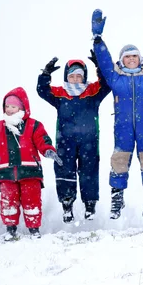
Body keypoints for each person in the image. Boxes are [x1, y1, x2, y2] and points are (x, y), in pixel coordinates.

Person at [91, 9, 143, 220]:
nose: (131, 59)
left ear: (139, 59)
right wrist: (98, 39)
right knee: (119, 160)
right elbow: (104, 60)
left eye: (134, 56)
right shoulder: (115, 77)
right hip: (123, 127)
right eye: (127, 57)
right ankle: (117, 199)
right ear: (122, 60)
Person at [0, 87, 62, 241]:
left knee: (32, 202)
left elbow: (43, 140)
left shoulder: (34, 125)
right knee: (8, 203)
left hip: (30, 172)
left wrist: (48, 150)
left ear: (22, 107)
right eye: (7, 107)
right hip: (6, 172)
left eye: (13, 106)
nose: (10, 110)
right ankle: (10, 229)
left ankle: (34, 230)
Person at [36, 52, 111, 223]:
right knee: (65, 170)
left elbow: (106, 84)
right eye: (72, 76)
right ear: (66, 77)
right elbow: (42, 91)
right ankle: (67, 205)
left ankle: (90, 205)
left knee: (89, 171)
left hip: (89, 142)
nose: (76, 79)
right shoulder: (60, 94)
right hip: (65, 141)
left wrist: (100, 67)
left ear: (84, 77)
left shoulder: (93, 92)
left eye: (79, 76)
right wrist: (45, 74)